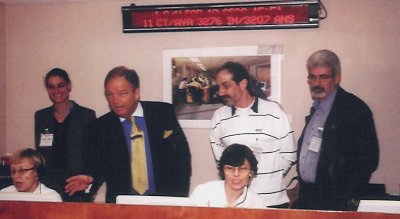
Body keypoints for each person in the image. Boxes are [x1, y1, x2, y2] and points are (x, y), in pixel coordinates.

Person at [65, 66, 192, 203]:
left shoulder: (162, 113)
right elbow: (96, 167)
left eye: (122, 93)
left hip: (163, 202)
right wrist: (89, 181)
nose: (115, 100)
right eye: (110, 94)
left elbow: (182, 159)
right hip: (122, 206)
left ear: (136, 92)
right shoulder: (101, 126)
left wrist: (177, 201)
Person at [295, 49, 379, 211]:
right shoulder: (316, 109)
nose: (316, 83)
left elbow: (369, 160)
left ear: (337, 78)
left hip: (335, 202)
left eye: (323, 77)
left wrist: (346, 198)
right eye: (312, 77)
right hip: (309, 198)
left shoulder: (354, 110)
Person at [210, 62, 297, 208]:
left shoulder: (273, 111)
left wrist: (268, 177)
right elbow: (222, 159)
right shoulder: (219, 117)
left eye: (226, 86)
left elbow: (289, 154)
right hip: (236, 203)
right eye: (218, 87)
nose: (220, 92)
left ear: (242, 84)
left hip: (272, 202)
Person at [34, 68, 96, 202]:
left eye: (60, 86)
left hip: (76, 185)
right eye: (51, 87)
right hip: (48, 186)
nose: (56, 91)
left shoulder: (86, 116)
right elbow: (40, 153)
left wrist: (88, 180)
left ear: (69, 86)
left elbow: (93, 154)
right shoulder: (41, 116)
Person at [191, 144, 266, 209]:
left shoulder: (257, 204)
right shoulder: (203, 192)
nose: (236, 174)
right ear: (223, 171)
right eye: (230, 168)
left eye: (242, 169)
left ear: (251, 172)